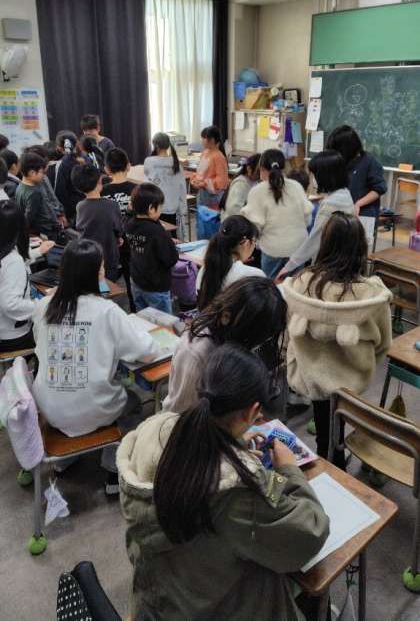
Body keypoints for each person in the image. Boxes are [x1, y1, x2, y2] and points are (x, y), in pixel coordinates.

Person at [118, 344, 329, 621]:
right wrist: (287, 469)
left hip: (158, 601)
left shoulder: (155, 430)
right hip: (207, 610)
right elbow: (310, 533)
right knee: (301, 583)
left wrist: (233, 448)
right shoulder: (236, 493)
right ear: (253, 411)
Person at [32, 239, 159, 493]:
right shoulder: (107, 311)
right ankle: (113, 470)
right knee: (135, 404)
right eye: (101, 267)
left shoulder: (44, 306)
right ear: (95, 274)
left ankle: (63, 460)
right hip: (94, 407)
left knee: (71, 398)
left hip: (49, 409)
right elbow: (147, 352)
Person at [282, 212, 392, 468]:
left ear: (325, 244)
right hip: (351, 378)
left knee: (325, 428)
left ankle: (328, 457)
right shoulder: (372, 294)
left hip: (310, 374)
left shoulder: (302, 283)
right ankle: (336, 457)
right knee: (337, 423)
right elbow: (384, 344)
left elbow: (289, 330)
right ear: (361, 247)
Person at [163, 276, 287, 414]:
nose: (254, 345)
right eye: (251, 338)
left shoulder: (232, 337)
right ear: (226, 316)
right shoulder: (195, 353)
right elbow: (183, 413)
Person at [278, 150, 355, 278]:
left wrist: (289, 265)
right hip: (342, 262)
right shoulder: (344, 193)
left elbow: (314, 239)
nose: (313, 179)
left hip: (329, 264)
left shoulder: (331, 203)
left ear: (326, 175)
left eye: (315, 175)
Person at [241, 149, 313, 278]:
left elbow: (254, 227)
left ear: (262, 169)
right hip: (298, 248)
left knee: (270, 286)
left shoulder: (257, 191)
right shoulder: (296, 186)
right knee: (294, 285)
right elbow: (308, 219)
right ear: (283, 167)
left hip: (272, 249)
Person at [126, 183, 179, 313]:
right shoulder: (157, 231)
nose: (161, 210)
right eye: (160, 206)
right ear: (151, 208)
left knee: (144, 318)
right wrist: (168, 241)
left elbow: (146, 242)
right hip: (156, 286)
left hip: (136, 281)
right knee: (162, 321)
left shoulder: (129, 223)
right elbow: (171, 259)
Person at [197, 215, 265, 310]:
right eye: (254, 242)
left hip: (206, 318)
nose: (254, 247)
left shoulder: (205, 269)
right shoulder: (253, 274)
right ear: (246, 243)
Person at [72, 163, 122, 281]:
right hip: (108, 256)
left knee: (93, 284)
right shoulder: (112, 205)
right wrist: (119, 237)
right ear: (100, 181)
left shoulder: (80, 206)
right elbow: (118, 229)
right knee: (107, 285)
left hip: (87, 255)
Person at [102, 147, 136, 311]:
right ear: (128, 165)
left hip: (110, 242)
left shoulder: (101, 191)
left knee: (107, 279)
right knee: (132, 277)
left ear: (107, 169)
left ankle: (107, 310)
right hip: (134, 240)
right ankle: (134, 308)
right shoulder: (137, 189)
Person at [326, 125, 387, 217]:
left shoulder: (369, 161)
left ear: (347, 148)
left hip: (363, 214)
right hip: (341, 212)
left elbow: (379, 189)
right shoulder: (341, 161)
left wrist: (358, 204)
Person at [0, 201, 35, 352]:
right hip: (11, 336)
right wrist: (41, 306)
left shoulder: (7, 254)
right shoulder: (13, 261)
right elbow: (10, 304)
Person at [144, 132, 188, 239]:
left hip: (156, 209)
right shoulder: (177, 163)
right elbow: (182, 189)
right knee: (172, 239)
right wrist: (183, 209)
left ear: (155, 145)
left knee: (157, 238)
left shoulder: (149, 161)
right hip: (173, 209)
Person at [15, 152, 60, 239]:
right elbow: (27, 218)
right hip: (44, 233)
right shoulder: (34, 193)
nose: (43, 175)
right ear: (32, 172)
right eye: (42, 172)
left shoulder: (19, 187)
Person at [190, 126, 229, 209]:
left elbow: (222, 181)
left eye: (204, 138)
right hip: (202, 194)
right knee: (201, 215)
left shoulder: (218, 156)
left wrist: (204, 184)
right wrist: (195, 180)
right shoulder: (205, 152)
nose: (202, 140)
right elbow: (200, 172)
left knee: (210, 216)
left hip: (213, 197)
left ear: (212, 140)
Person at [54, 130, 84, 222]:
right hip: (88, 203)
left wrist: (61, 213)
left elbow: (60, 191)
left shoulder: (62, 164)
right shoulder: (85, 158)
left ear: (59, 147)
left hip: (72, 210)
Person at [220, 153, 260, 220]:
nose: (260, 176)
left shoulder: (254, 181)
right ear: (249, 169)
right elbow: (233, 209)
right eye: (258, 172)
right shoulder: (240, 184)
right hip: (233, 222)